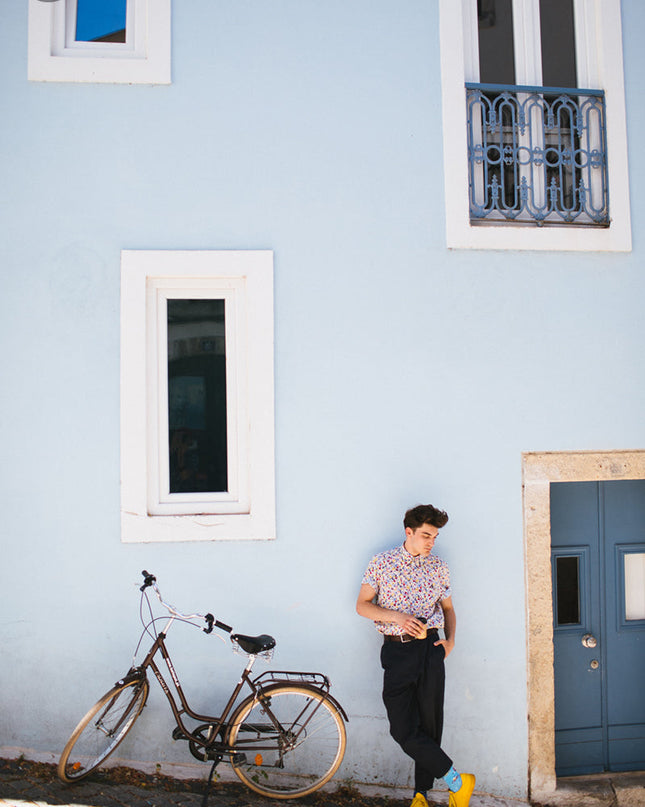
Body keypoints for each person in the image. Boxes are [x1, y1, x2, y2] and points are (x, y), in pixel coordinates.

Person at [356, 504, 476, 807]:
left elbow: (448, 609)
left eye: (434, 536)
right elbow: (362, 605)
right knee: (402, 727)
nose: (430, 542)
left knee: (430, 724)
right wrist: (396, 617)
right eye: (425, 535)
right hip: (397, 650)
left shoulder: (439, 567)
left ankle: (421, 796)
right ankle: (457, 782)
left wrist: (450, 642)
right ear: (408, 532)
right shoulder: (381, 562)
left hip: (431, 650)